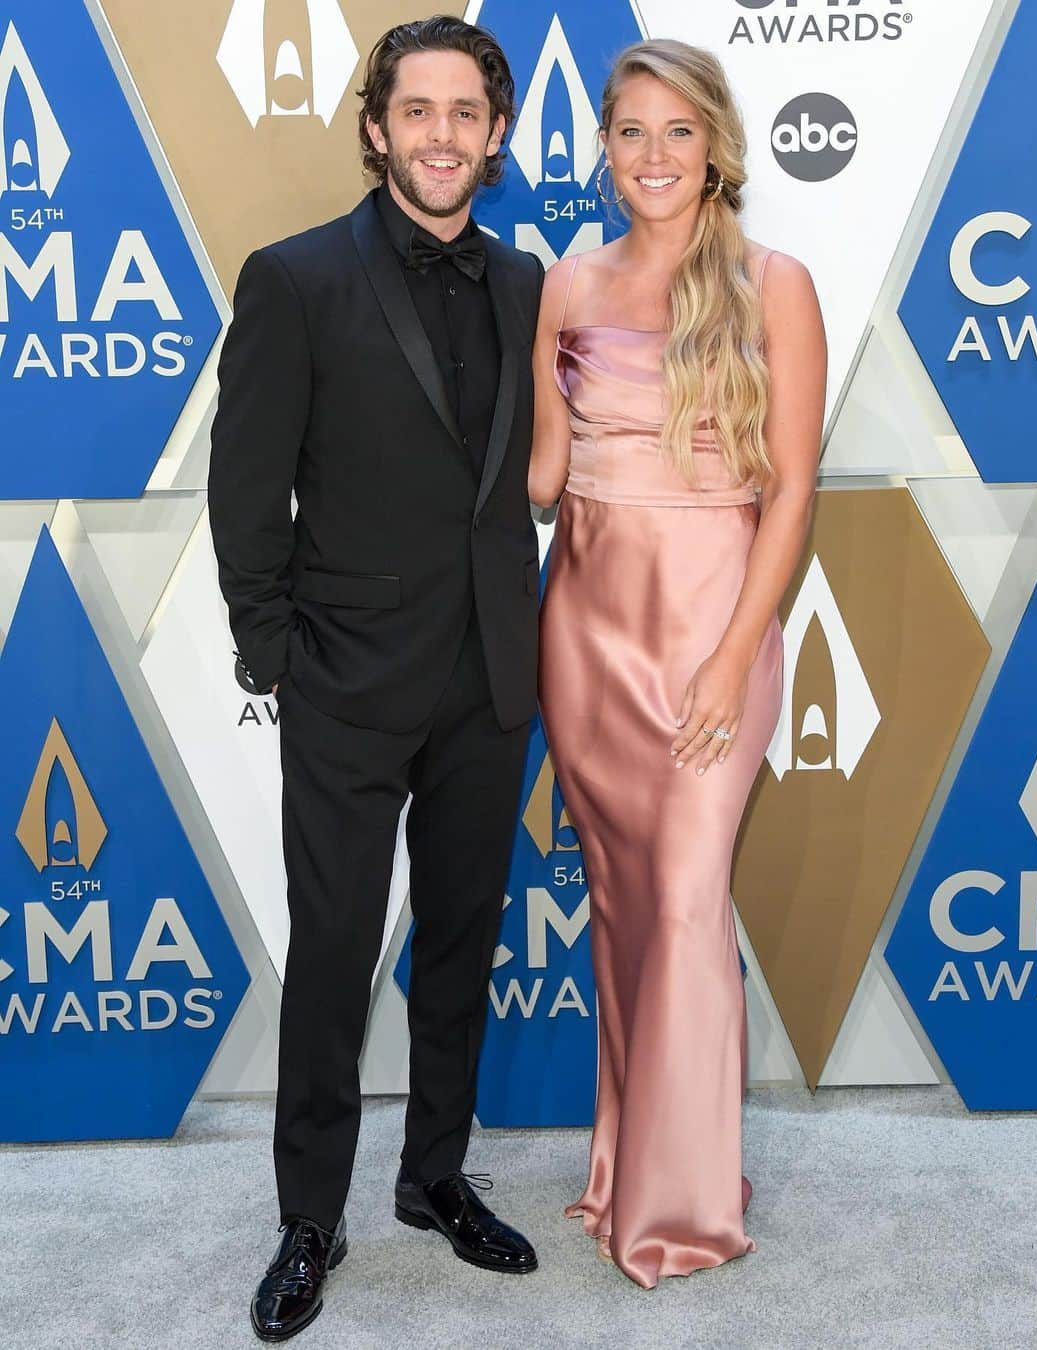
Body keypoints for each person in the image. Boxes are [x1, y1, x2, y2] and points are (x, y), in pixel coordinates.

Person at [208, 17, 545, 1342]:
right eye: (419, 112)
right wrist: (276, 649)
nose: (443, 136)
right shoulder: (294, 280)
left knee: (462, 938)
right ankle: (310, 1216)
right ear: (375, 127)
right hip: (346, 679)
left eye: (467, 113)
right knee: (337, 953)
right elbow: (248, 484)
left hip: (487, 675)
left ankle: (435, 1174)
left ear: (496, 134)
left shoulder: (526, 282)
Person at [529, 39, 827, 1289]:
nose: (654, 157)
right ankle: (623, 1166)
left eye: (679, 133)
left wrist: (736, 654)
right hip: (586, 630)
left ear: (717, 147)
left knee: (693, 901)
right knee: (625, 903)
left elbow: (794, 489)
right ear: (604, 145)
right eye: (631, 133)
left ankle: (685, 1206)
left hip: (714, 630)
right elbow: (543, 477)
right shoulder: (564, 282)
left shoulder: (773, 281)